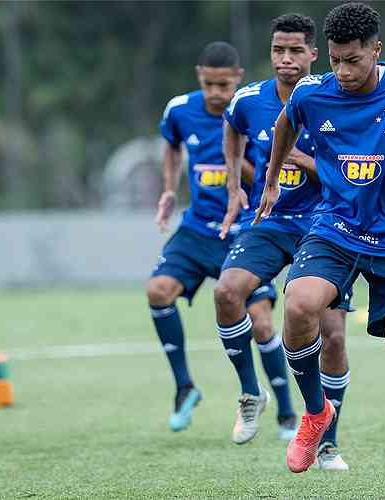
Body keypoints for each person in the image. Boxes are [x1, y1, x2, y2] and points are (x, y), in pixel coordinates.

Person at [254, 3, 385, 498]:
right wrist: (272, 180)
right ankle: (318, 411)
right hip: (336, 226)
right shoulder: (312, 92)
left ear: (377, 51)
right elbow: (284, 127)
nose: (342, 71)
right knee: (298, 305)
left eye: (353, 60)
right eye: (336, 60)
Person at [215, 14, 353, 464]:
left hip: (326, 224)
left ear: (314, 54)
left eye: (296, 51)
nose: (286, 59)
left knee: (332, 335)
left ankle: (327, 439)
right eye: (279, 50)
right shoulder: (249, 100)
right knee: (227, 292)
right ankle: (251, 394)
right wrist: (236, 185)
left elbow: (348, 171)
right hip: (270, 220)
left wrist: (295, 155)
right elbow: (232, 129)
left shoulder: (336, 99)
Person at [147, 41, 282, 435]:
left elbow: (270, 172)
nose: (216, 94)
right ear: (199, 78)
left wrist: (236, 168)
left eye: (223, 85)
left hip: (242, 232)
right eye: (209, 85)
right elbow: (171, 146)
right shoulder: (179, 110)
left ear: (237, 79)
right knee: (158, 291)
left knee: (261, 322)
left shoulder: (251, 111)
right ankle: (185, 387)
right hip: (196, 230)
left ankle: (287, 412)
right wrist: (170, 188)